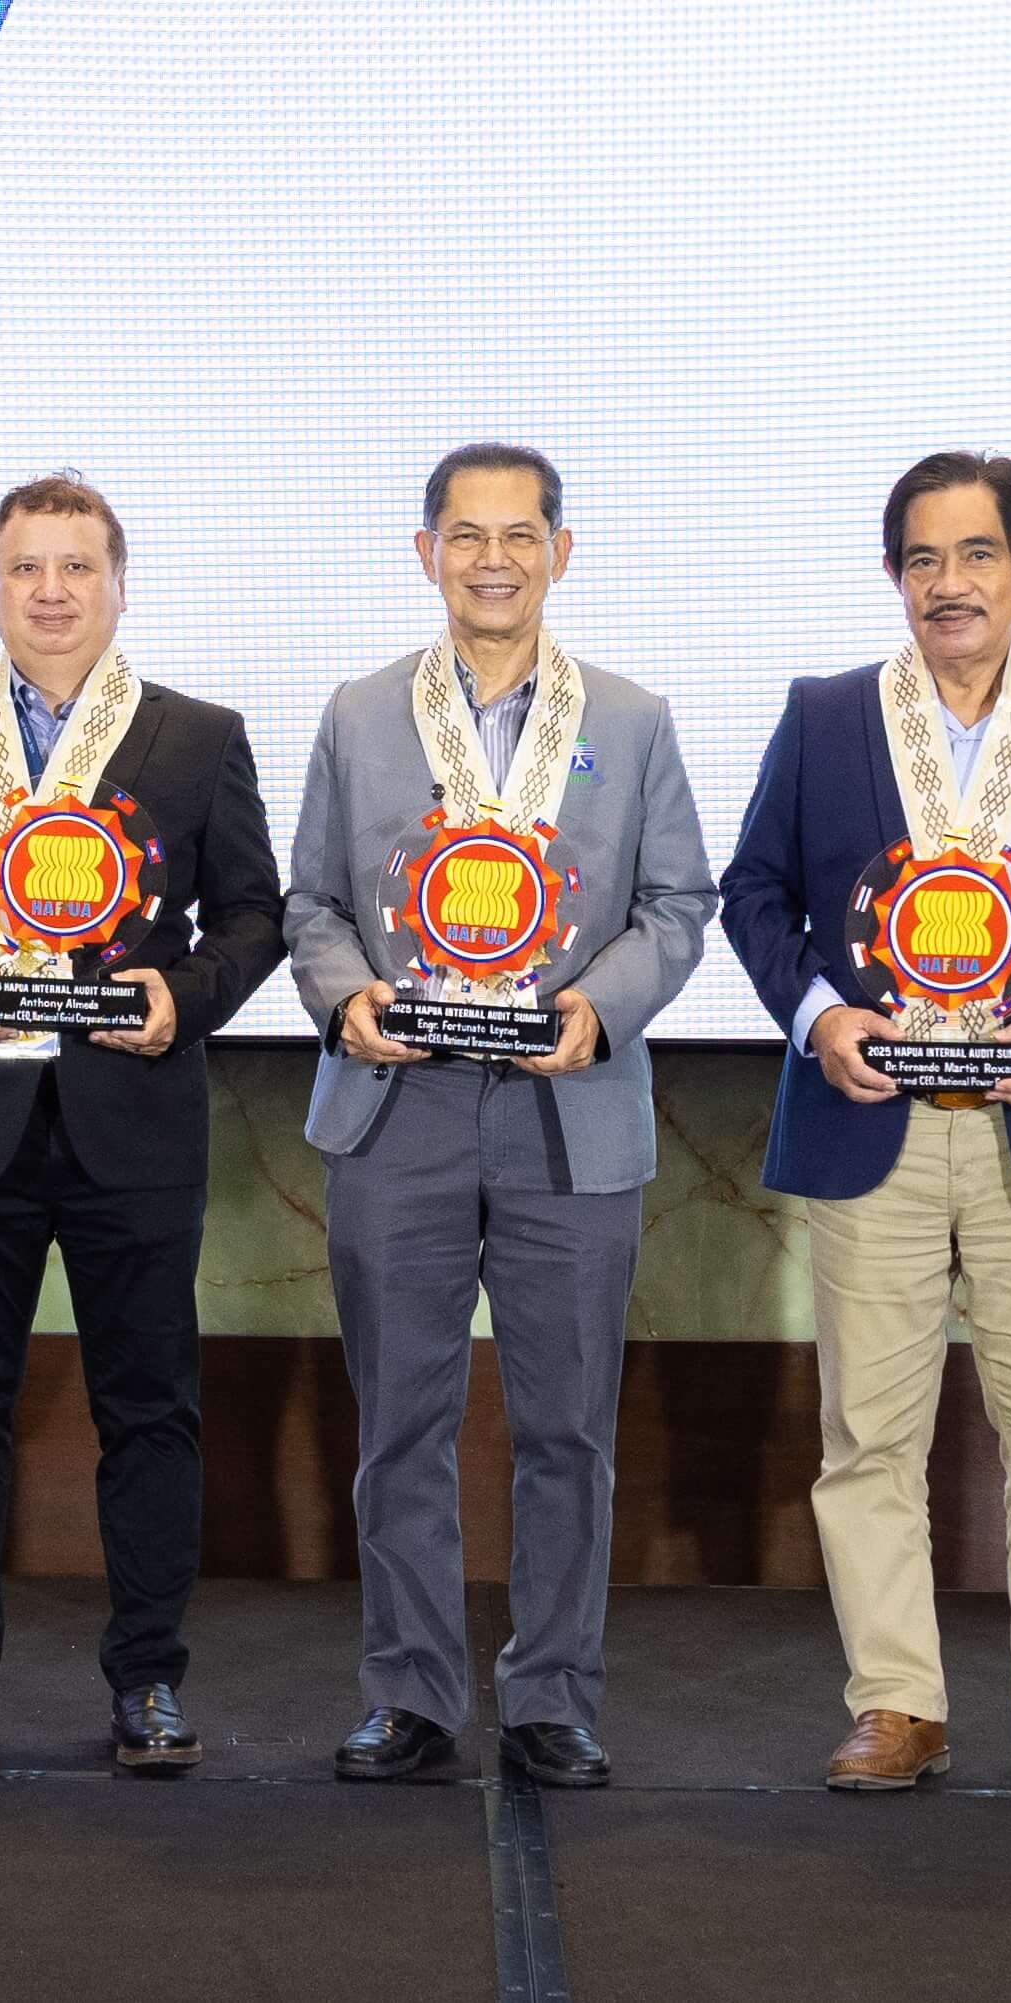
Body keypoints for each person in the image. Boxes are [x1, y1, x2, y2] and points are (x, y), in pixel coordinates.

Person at [716, 450, 1011, 1799]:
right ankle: (895, 1701)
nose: (948, 583)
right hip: (875, 1120)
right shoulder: (826, 716)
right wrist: (818, 1018)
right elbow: (753, 893)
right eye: (922, 558)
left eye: (976, 554)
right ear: (892, 576)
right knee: (868, 1434)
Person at [0, 473, 285, 1775]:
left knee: (148, 1409)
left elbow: (252, 913)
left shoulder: (196, 736)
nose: (49, 590)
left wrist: (183, 996)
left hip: (128, 1118)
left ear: (118, 585)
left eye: (76, 565)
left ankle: (148, 1679)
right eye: (24, 566)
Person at [283, 443, 713, 1790]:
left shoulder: (629, 720)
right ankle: (407, 1692)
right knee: (399, 1422)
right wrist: (347, 998)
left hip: (566, 1110)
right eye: (464, 535)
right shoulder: (359, 714)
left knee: (566, 1429)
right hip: (395, 1106)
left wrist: (598, 1006)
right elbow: (312, 904)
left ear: (558, 553)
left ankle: (550, 1695)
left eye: (518, 534)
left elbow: (677, 905)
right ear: (426, 552)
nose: (491, 559)